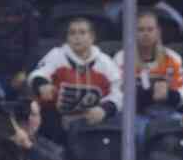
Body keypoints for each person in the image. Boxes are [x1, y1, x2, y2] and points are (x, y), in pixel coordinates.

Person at [29, 16, 122, 146]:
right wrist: (42, 84)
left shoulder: (105, 62)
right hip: (57, 121)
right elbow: (38, 74)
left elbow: (119, 92)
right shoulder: (57, 55)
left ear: (92, 37)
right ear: (67, 38)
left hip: (93, 120)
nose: (77, 37)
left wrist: (105, 109)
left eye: (82, 32)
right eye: (72, 33)